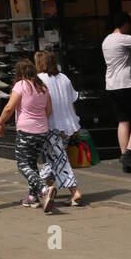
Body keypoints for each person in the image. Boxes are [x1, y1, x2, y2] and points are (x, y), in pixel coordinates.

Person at [0, 58, 56, 213]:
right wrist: (39, 121)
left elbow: (9, 108)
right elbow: (49, 110)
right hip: (41, 131)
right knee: (31, 163)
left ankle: (44, 189)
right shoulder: (43, 87)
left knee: (22, 165)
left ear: (19, 72)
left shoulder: (21, 85)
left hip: (26, 131)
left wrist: (1, 123)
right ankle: (32, 197)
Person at [36, 51, 84, 206]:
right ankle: (42, 189)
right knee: (56, 158)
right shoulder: (64, 78)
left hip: (51, 124)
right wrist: (75, 123)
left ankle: (74, 191)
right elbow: (72, 102)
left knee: (58, 158)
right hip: (68, 124)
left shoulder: (39, 80)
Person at [103, 12, 131, 173]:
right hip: (125, 85)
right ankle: (129, 153)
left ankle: (125, 159)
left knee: (123, 121)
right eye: (130, 24)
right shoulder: (124, 39)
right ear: (125, 24)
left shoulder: (107, 40)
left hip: (111, 86)